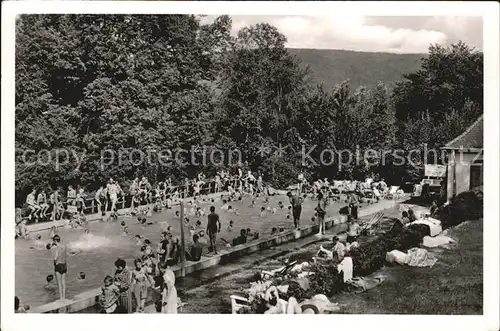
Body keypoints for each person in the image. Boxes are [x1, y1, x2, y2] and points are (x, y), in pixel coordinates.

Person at [51, 235, 67, 302]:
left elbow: (55, 257)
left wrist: (54, 262)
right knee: (63, 282)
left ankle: (61, 298)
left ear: (55, 241)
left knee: (59, 283)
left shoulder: (56, 248)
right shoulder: (64, 246)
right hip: (64, 265)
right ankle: (64, 297)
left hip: (58, 265)